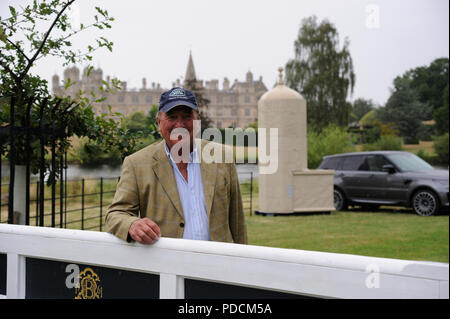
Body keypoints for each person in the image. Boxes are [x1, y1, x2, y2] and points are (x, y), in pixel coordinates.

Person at [105, 87, 248, 245]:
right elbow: (115, 214)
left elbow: (237, 221)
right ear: (159, 122)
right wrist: (132, 224)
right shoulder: (136, 164)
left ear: (197, 121)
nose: (179, 124)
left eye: (186, 117)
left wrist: (243, 263)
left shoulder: (222, 157)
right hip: (167, 265)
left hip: (217, 265)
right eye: (172, 117)